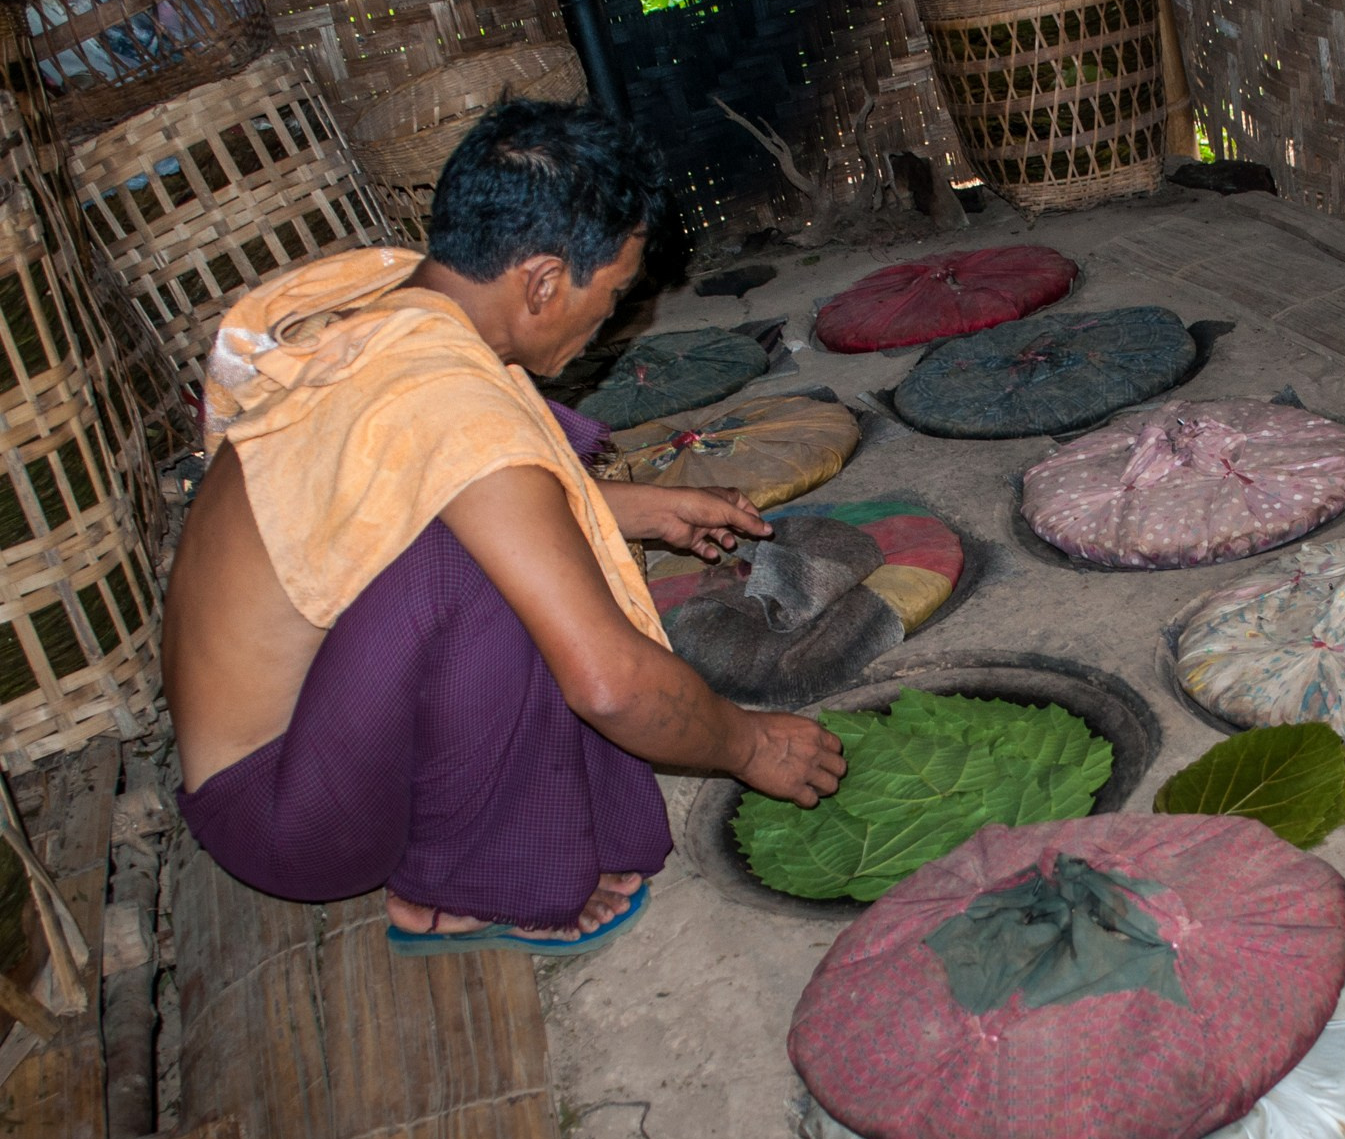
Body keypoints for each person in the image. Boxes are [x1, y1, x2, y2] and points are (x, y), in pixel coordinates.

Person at [161, 101, 845, 955]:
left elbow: (390, 501)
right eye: (616, 294)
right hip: (288, 819)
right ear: (545, 281)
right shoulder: (455, 402)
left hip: (292, 743)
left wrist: (630, 510)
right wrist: (748, 744)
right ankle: (454, 885)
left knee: (523, 533)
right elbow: (611, 687)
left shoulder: (394, 310)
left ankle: (479, 830)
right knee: (492, 575)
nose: (613, 321)